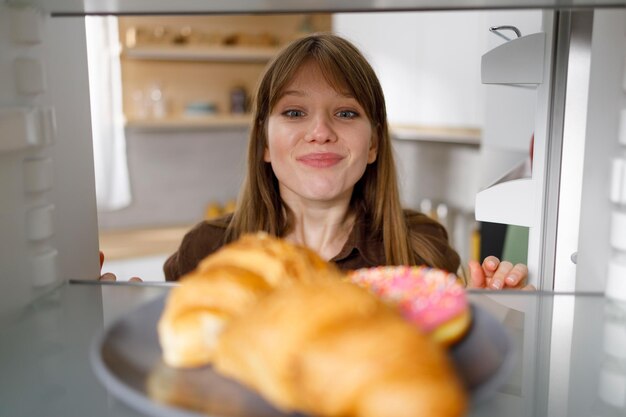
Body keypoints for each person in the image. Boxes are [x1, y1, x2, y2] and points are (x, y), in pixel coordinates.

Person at [101, 33, 530, 290]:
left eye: (346, 113)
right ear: (265, 144)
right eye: (294, 112)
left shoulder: (421, 249)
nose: (320, 131)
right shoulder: (206, 250)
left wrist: (492, 316)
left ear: (374, 143)